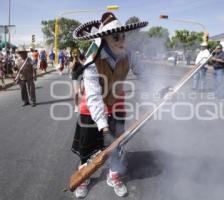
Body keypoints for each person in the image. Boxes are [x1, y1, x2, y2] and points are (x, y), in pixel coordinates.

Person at [71, 12, 148, 198]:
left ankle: (113, 175)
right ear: (105, 38)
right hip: (91, 109)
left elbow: (146, 74)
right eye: (116, 37)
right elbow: (94, 97)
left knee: (116, 146)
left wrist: (162, 89)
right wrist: (104, 128)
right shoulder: (92, 62)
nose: (122, 41)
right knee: (87, 149)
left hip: (117, 104)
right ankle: (84, 177)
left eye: (123, 36)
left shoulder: (130, 55)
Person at [69, 48, 85, 112]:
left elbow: (84, 65)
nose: (75, 54)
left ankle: (82, 103)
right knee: (76, 93)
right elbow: (72, 68)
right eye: (74, 53)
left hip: (82, 76)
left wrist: (78, 59)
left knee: (82, 91)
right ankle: (76, 106)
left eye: (77, 53)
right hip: (75, 76)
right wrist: (74, 60)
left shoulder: (82, 57)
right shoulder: (71, 58)